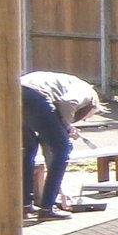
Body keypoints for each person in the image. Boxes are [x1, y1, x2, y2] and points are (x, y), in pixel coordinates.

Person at [21, 70, 103, 222]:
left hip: (16, 91)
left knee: (29, 149)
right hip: (35, 95)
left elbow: (48, 149)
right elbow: (69, 103)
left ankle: (25, 205)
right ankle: (47, 209)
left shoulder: (64, 85)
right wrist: (66, 127)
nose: (83, 120)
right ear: (93, 107)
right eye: (86, 118)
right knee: (64, 148)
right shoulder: (87, 92)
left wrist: (61, 191)